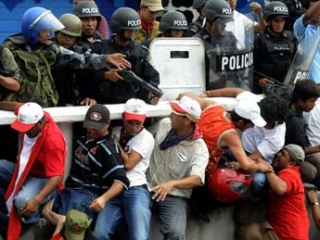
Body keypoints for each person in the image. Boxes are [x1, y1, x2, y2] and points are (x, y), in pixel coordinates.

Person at [2, 6, 130, 110]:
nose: (48, 34)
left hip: (47, 108)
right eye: (44, 30)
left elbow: (79, 58)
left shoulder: (51, 49)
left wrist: (106, 59)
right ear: (33, 31)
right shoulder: (9, 50)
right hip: (19, 110)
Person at [42, 104, 130, 240]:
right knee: (45, 212)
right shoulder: (84, 135)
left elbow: (122, 180)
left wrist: (103, 198)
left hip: (85, 195)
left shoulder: (109, 150)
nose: (92, 130)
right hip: (69, 189)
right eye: (90, 125)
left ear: (107, 124)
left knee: (69, 232)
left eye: (97, 127)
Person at [0, 102, 67, 240]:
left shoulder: (52, 141)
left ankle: (33, 224)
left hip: (43, 178)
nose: (24, 131)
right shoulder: (31, 112)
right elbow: (14, 106)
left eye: (28, 129)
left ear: (40, 123)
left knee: (22, 201)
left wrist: (36, 200)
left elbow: (56, 177)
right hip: (25, 169)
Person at [146, 95, 209, 239]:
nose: (170, 115)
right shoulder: (164, 124)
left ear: (187, 120)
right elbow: (144, 137)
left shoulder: (199, 148)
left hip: (173, 195)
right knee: (130, 216)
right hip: (146, 185)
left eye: (176, 114)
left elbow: (197, 179)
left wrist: (171, 184)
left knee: (176, 234)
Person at [93, 98, 154, 239]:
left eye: (138, 123)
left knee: (139, 236)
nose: (133, 127)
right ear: (123, 118)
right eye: (130, 122)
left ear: (144, 120)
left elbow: (128, 165)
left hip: (135, 189)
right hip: (113, 189)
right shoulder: (116, 130)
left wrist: (116, 145)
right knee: (99, 234)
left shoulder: (146, 137)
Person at [237, 144, 310, 240]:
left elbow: (280, 188)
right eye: (280, 151)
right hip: (290, 231)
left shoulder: (291, 173)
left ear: (291, 163)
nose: (278, 154)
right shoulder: (292, 174)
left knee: (246, 234)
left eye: (283, 154)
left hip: (286, 235)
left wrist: (267, 169)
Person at [95, 7, 160, 105]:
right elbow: (86, 74)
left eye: (134, 30)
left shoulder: (141, 52)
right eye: (129, 30)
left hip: (133, 105)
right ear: (119, 29)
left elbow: (152, 77)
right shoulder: (100, 48)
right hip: (105, 103)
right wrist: (106, 75)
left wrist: (152, 91)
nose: (132, 33)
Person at [253, 1, 298, 94]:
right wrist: (258, 81)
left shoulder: (291, 38)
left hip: (288, 87)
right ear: (269, 21)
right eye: (276, 20)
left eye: (282, 20)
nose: (280, 24)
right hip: (268, 88)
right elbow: (250, 68)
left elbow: (298, 62)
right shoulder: (260, 41)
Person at [53, 13, 97, 106]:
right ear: (57, 33)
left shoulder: (83, 51)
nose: (67, 39)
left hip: (76, 102)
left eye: (71, 37)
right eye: (64, 35)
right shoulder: (48, 49)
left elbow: (90, 79)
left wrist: (91, 97)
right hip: (52, 102)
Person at [285, 79, 320, 185]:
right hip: (287, 151)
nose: (313, 106)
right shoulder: (295, 122)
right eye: (312, 101)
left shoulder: (291, 103)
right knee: (310, 171)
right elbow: (300, 151)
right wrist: (318, 148)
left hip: (296, 145)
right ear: (300, 100)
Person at [294, 0, 320, 83]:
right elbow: (309, 15)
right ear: (305, 10)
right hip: (310, 83)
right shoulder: (300, 27)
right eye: (317, 9)